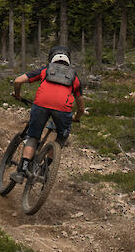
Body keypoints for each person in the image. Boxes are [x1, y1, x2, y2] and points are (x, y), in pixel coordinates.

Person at [9, 45, 85, 184]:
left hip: (41, 106)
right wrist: (76, 118)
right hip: (63, 110)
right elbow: (81, 107)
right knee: (61, 138)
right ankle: (44, 169)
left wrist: (18, 95)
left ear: (51, 58)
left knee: (33, 137)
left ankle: (21, 171)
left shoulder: (45, 71)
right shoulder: (74, 77)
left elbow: (18, 80)